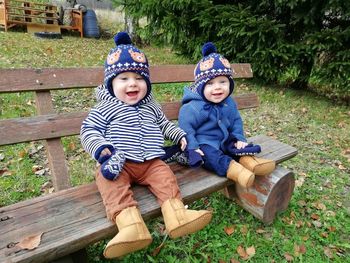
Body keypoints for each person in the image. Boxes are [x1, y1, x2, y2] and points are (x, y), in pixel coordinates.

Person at [80, 32, 212, 259]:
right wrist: (102, 149)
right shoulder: (105, 108)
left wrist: (180, 136)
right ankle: (130, 225)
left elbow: (164, 125)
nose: (132, 83)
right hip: (119, 162)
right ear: (111, 83)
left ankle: (177, 216)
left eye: (139, 78)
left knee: (165, 177)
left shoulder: (151, 107)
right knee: (109, 181)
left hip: (151, 162)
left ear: (147, 82)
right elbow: (89, 130)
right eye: (124, 79)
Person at [178, 42, 276, 188]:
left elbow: (236, 120)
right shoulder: (193, 107)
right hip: (205, 143)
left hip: (225, 140)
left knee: (238, 147)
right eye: (210, 83)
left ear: (230, 84)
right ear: (200, 87)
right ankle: (235, 170)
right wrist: (192, 146)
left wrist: (239, 138)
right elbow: (186, 128)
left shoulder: (228, 102)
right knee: (211, 156)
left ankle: (251, 162)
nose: (217, 87)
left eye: (223, 82)